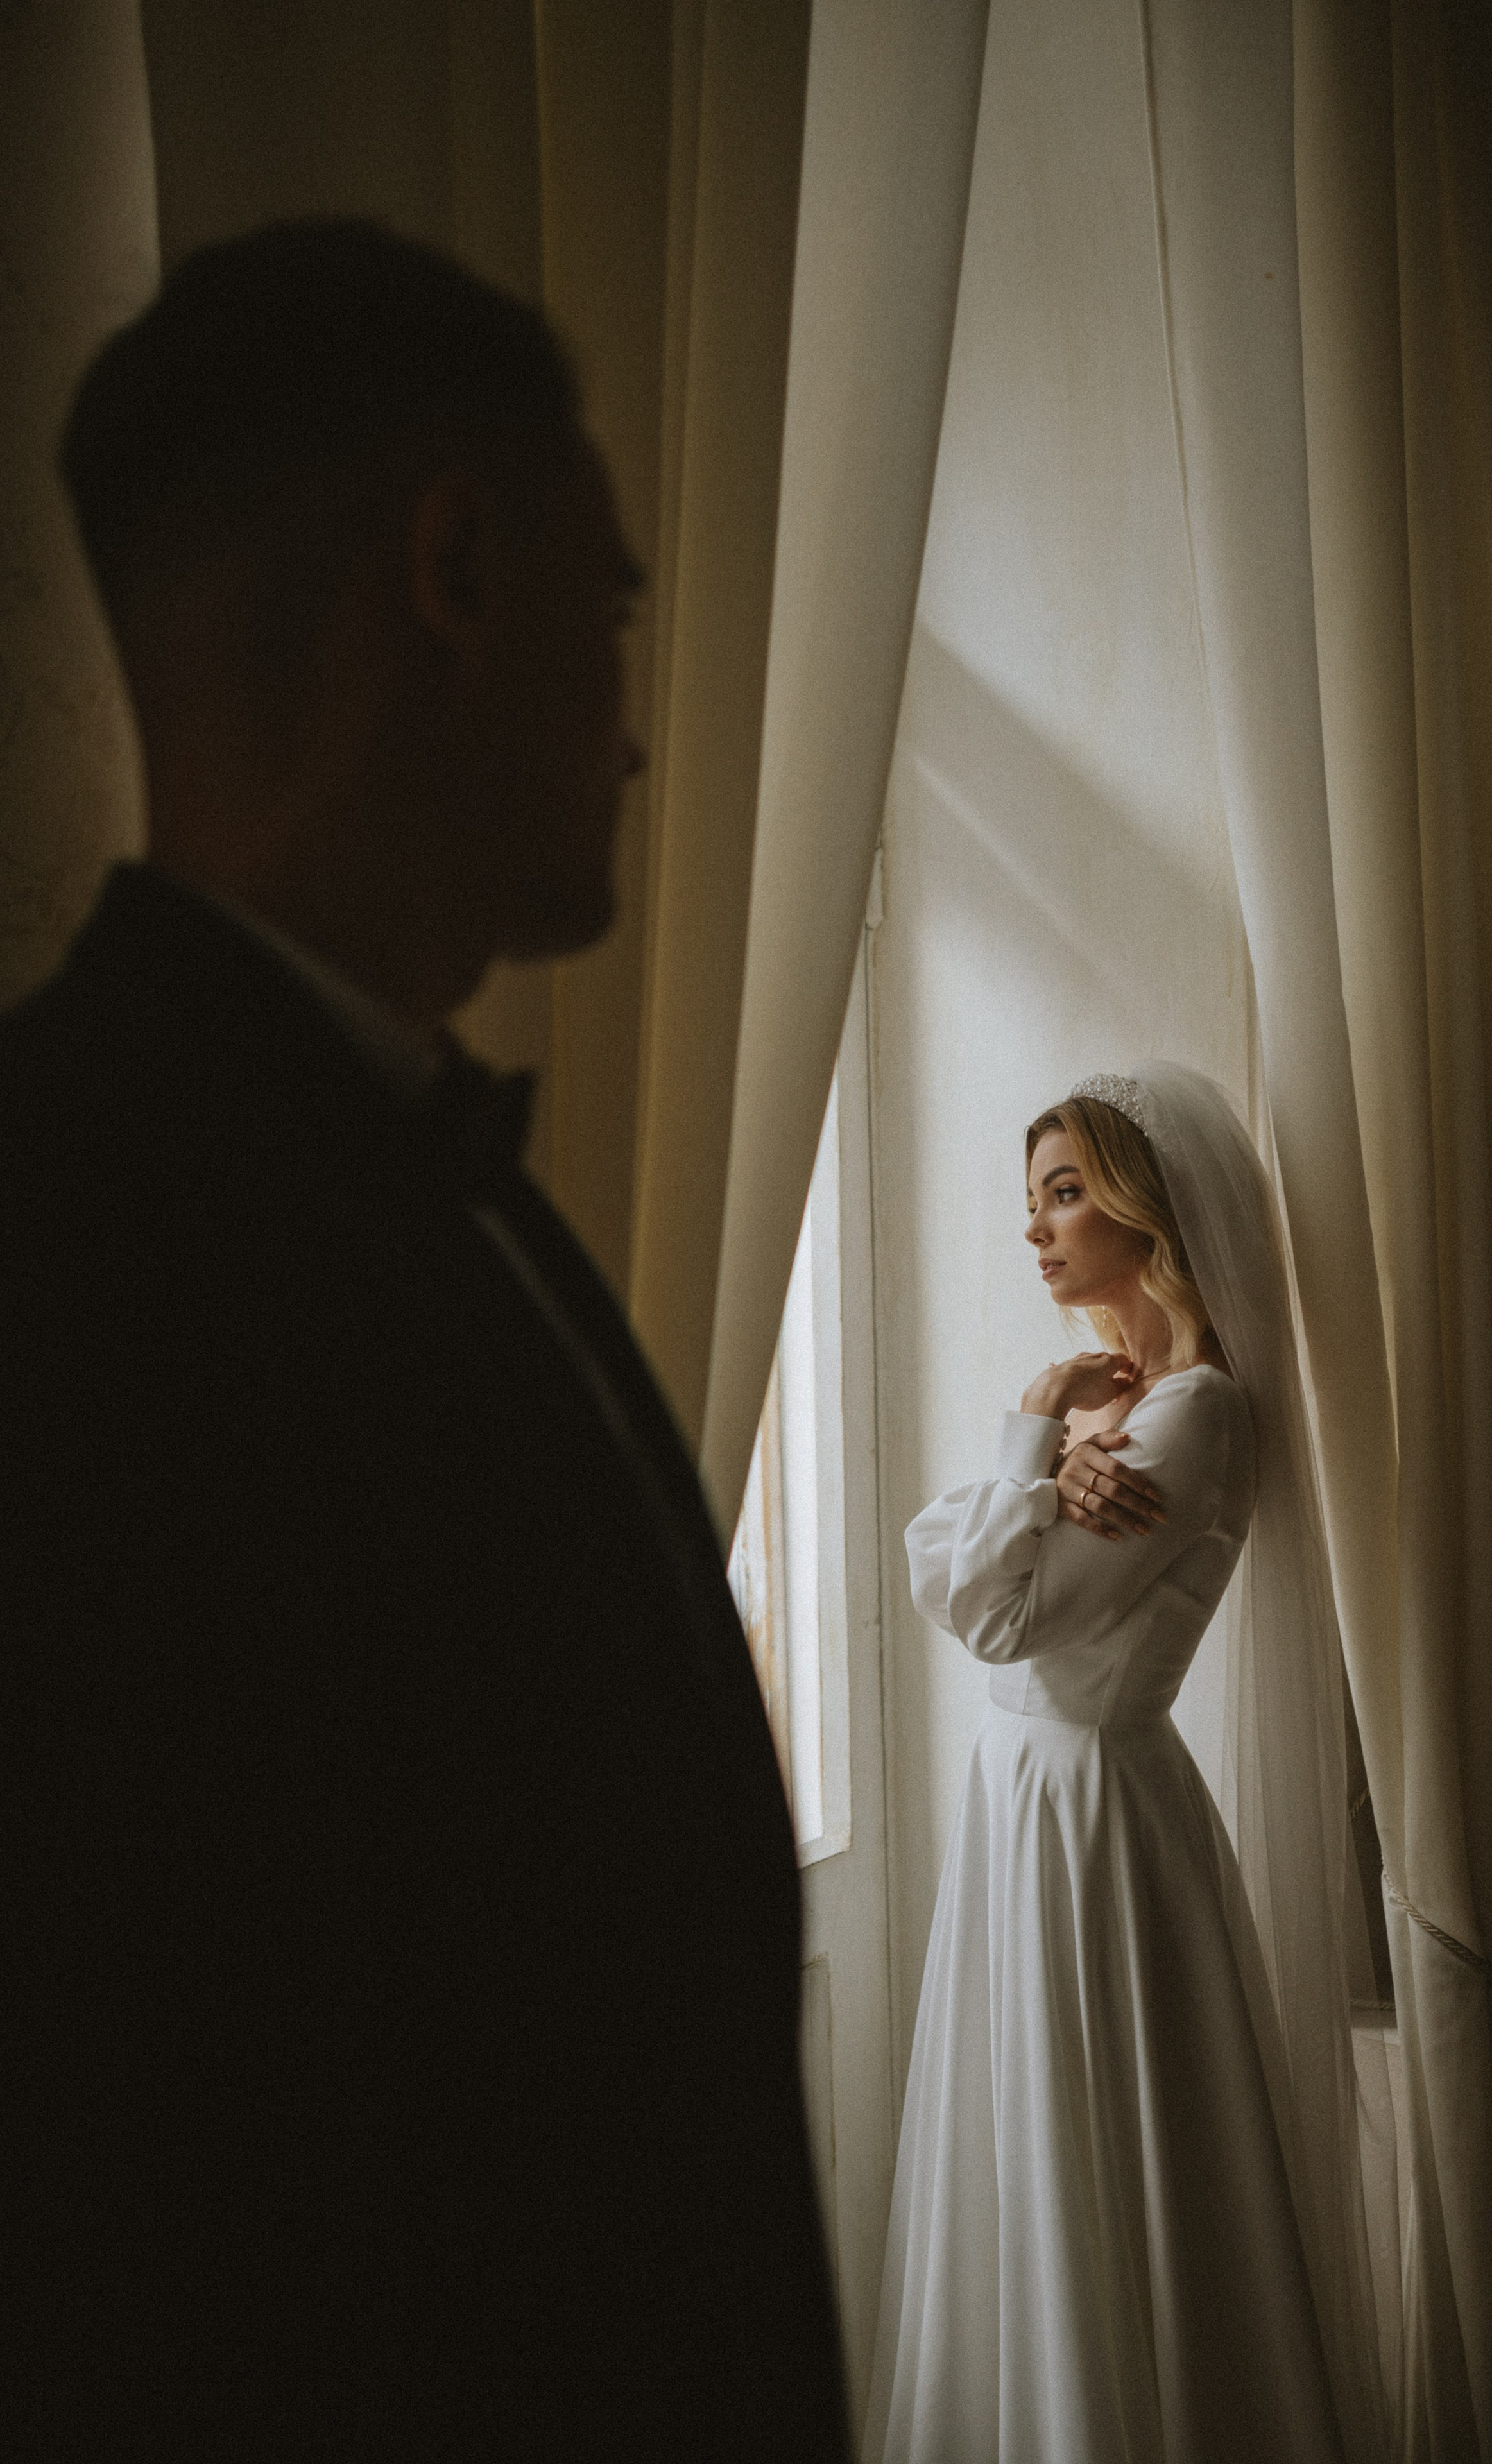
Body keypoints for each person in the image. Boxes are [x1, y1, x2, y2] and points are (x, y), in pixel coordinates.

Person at [0, 221, 848, 2461]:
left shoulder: (438, 1192)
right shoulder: (71, 1247)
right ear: (456, 568)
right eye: (621, 602)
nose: (646, 717)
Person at [862, 1066, 1387, 2464]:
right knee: (1026, 2158)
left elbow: (992, 1613)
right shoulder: (1115, 1410)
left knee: (1108, 2159)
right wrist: (1042, 1450)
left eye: (1064, 1194)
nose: (1034, 1232)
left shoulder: (1191, 1416)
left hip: (1090, 1807)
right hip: (1026, 1799)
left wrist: (1031, 1434)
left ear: (1147, 1209)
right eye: (1027, 1200)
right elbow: (937, 1565)